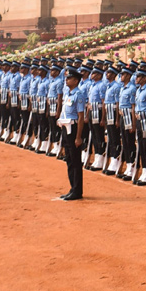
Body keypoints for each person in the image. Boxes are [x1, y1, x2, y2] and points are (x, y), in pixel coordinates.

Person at [57, 66, 88, 201]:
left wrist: (78, 137)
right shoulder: (68, 94)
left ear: (76, 81)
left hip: (74, 129)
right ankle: (72, 188)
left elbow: (81, 116)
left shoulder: (78, 95)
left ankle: (77, 190)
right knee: (69, 159)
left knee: (75, 161)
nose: (67, 80)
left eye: (69, 78)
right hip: (66, 128)